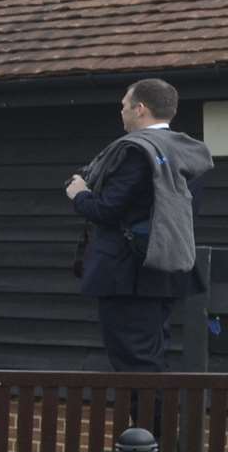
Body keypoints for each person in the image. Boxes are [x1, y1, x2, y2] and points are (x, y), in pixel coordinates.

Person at [67, 78, 213, 373]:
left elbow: (107, 210)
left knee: (134, 361)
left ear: (140, 109)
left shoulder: (135, 151)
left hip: (128, 273)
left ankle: (149, 422)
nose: (121, 112)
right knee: (153, 354)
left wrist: (79, 192)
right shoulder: (188, 151)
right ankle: (154, 420)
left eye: (124, 106)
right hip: (168, 264)